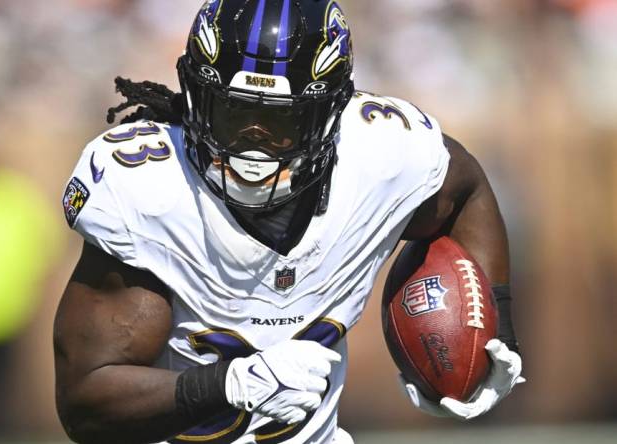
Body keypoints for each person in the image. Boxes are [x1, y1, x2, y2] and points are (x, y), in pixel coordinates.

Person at [53, 1, 524, 443]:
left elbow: (466, 189)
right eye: (233, 112)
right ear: (194, 97)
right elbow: (86, 403)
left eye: (280, 123)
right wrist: (233, 383)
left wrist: (492, 332)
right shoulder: (151, 192)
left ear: (331, 113)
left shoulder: (381, 155)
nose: (251, 150)